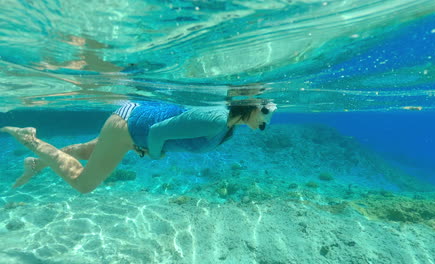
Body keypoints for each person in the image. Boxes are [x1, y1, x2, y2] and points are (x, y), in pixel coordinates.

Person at [1, 100, 277, 193]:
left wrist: (151, 147)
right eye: (265, 112)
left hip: (133, 123)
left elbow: (169, 130)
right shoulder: (217, 119)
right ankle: (30, 140)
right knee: (84, 184)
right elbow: (159, 132)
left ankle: (35, 164)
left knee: (87, 151)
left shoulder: (226, 126)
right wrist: (153, 154)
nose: (266, 120)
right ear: (251, 106)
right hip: (131, 126)